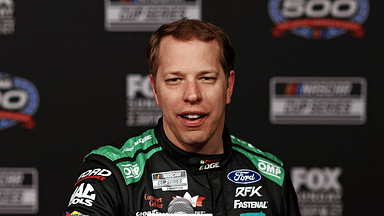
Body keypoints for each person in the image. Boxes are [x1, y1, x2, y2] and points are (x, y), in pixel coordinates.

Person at [63, 18, 301, 216]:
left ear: (229, 87)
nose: (192, 95)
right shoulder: (113, 175)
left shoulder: (272, 178)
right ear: (155, 90)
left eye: (206, 78)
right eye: (174, 80)